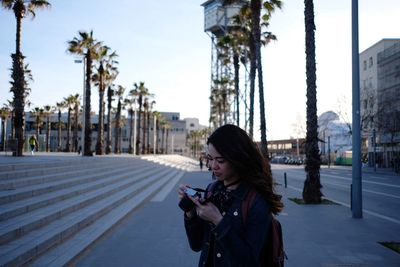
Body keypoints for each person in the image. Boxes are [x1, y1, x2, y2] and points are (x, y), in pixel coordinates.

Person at [178, 124, 284, 267]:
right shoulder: (212, 189)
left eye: (220, 161)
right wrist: (190, 212)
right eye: (210, 158)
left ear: (237, 159)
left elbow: (250, 261)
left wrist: (218, 221)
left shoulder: (256, 201)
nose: (213, 165)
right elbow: (196, 245)